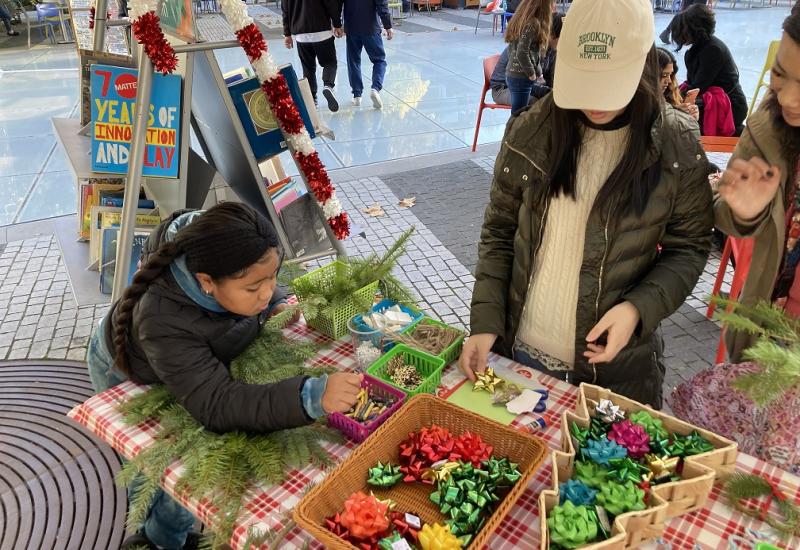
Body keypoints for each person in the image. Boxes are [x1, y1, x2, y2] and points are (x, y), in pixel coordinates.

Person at [460, 0, 713, 408]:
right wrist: (486, 322)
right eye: (584, 81)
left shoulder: (676, 143)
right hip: (520, 352)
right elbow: (499, 233)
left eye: (609, 84)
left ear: (641, 64)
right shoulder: (532, 129)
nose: (594, 102)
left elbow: (690, 247)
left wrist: (637, 309)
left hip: (614, 373)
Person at [86, 203, 362, 550]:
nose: (265, 292)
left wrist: (275, 299)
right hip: (127, 371)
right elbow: (218, 403)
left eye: (273, 278)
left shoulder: (222, 243)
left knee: (193, 464)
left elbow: (259, 274)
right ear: (206, 283)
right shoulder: (162, 319)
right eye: (252, 289)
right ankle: (157, 540)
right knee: (158, 469)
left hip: (186, 362)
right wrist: (310, 396)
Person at [714, 5, 800, 359]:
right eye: (780, 75)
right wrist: (745, 212)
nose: (788, 99)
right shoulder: (770, 125)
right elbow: (724, 213)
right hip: (766, 331)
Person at [670, 4, 748, 135]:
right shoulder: (699, 47)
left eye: (683, 31)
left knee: (683, 123)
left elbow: (698, 87)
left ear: (696, 30)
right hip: (714, 100)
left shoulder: (712, 50)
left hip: (731, 106)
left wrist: (672, 100)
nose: (680, 37)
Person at [282, 0, 343, 112]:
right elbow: (332, 4)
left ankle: (312, 99)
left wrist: (287, 34)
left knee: (308, 68)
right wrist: (337, 24)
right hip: (322, 31)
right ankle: (328, 85)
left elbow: (285, 10)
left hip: (301, 34)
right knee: (330, 63)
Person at [490, 13, 562, 106]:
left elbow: (550, 79)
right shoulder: (530, 47)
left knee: (556, 102)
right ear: (551, 34)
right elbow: (522, 84)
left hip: (525, 86)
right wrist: (549, 93)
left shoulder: (552, 49)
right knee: (535, 103)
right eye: (562, 36)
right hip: (504, 88)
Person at [342, 0, 393, 109]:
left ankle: (357, 96)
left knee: (353, 61)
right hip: (371, 27)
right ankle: (375, 88)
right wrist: (388, 25)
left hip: (352, 27)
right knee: (379, 60)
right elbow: (382, 4)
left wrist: (337, 24)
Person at [503, 0, 552, 113]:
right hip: (521, 76)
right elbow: (522, 52)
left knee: (517, 114)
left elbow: (514, 50)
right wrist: (531, 73)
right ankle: (513, 131)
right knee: (518, 115)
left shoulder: (520, 19)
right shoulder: (533, 23)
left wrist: (538, 73)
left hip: (513, 74)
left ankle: (513, 130)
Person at [657, 47, 699, 121]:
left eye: (670, 75)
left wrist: (690, 118)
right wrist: (676, 116)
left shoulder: (669, 93)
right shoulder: (641, 102)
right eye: (664, 75)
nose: (669, 80)